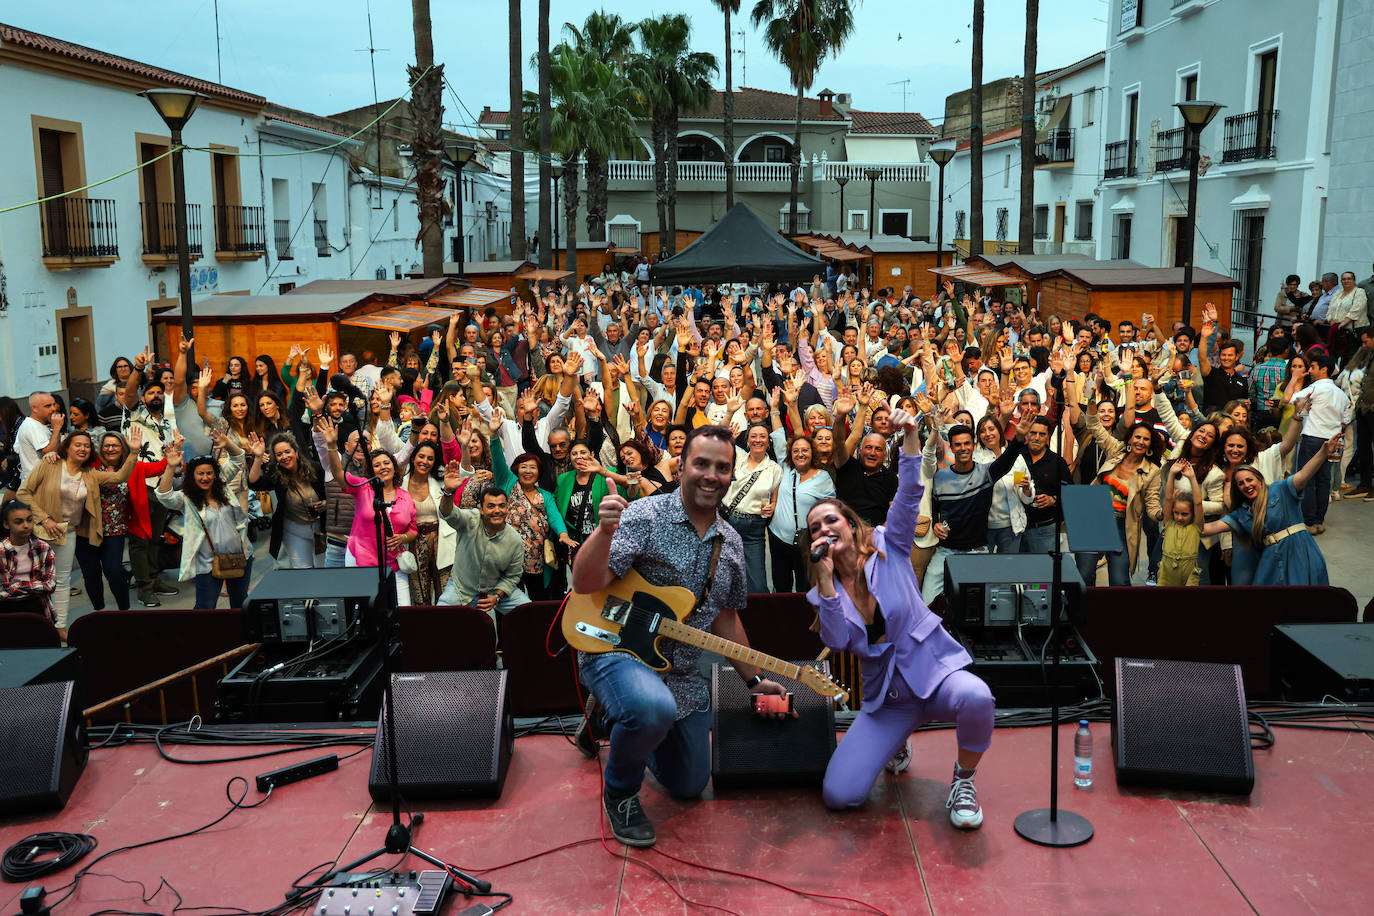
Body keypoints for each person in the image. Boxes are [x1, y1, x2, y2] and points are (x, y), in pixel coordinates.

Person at [570, 425, 790, 848]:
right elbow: (585, 584)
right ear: (681, 466)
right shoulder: (644, 514)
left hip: (681, 673)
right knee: (651, 707)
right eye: (701, 464)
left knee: (689, 785)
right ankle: (620, 792)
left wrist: (755, 681)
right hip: (615, 650)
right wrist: (603, 533)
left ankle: (614, 719)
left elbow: (727, 618)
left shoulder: (730, 543)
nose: (711, 475)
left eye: (722, 468)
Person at [803, 406, 994, 830]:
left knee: (978, 697)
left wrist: (909, 436)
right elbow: (837, 642)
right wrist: (828, 582)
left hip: (935, 674)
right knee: (840, 796)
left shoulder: (890, 546)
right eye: (815, 528)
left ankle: (963, 781)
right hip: (889, 699)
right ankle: (896, 742)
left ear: (851, 526)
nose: (824, 529)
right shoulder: (822, 593)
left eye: (831, 519)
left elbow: (908, 494)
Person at [17, 429, 139, 632]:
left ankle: (60, 627)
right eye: (78, 444)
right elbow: (23, 492)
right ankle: (33, 627)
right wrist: (45, 519)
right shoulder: (50, 464)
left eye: (87, 445)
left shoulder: (89, 474)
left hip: (69, 532)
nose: (83, 448)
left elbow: (118, 477)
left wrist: (134, 453)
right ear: (68, 447)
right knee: (35, 579)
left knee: (62, 580)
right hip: (41, 531)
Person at [1202, 436, 1339, 586]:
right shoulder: (1242, 513)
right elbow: (1208, 529)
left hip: (1299, 552)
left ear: (1259, 480)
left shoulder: (1280, 490)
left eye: (1249, 480)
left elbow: (1304, 473)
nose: (1246, 485)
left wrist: (1323, 453)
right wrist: (1189, 504)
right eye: (1240, 483)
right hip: (1271, 561)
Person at [316, 419, 419, 604]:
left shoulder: (406, 496)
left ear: (394, 468)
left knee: (403, 608)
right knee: (364, 610)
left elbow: (413, 530)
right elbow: (339, 475)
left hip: (393, 563)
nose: (383, 467)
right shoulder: (362, 487)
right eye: (377, 465)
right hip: (360, 557)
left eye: (386, 463)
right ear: (371, 470)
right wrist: (331, 446)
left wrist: (402, 538)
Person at [155, 439, 253, 609]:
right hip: (207, 563)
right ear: (192, 476)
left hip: (240, 555)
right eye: (200, 473)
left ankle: (241, 635)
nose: (205, 477)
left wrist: (227, 443)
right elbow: (164, 496)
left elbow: (238, 458)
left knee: (239, 603)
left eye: (209, 473)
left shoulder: (224, 488)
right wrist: (170, 467)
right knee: (205, 607)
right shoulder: (186, 498)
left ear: (215, 475)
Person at [1073, 404, 1164, 586]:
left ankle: (1116, 614)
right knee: (1083, 576)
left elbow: (1152, 505)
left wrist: (1164, 513)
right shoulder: (1117, 449)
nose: (1140, 441)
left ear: (1149, 445)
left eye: (1145, 439)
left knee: (1120, 581)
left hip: (1122, 525)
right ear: (1129, 439)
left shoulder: (1152, 471)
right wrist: (1092, 400)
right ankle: (1083, 613)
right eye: (1137, 436)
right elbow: (1095, 427)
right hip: (1093, 516)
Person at [434, 470, 528, 614]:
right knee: (439, 619)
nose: (497, 510)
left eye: (501, 506)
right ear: (481, 509)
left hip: (493, 588)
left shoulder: (515, 540)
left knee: (528, 613)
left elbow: (512, 576)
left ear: (507, 508)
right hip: (461, 589)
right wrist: (448, 491)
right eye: (491, 506)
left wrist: (497, 596)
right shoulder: (470, 520)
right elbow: (448, 514)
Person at [1286, 351, 1351, 533]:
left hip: (1313, 438)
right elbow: (1345, 419)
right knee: (1324, 480)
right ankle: (1318, 521)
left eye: (1313, 367)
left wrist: (1294, 378)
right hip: (1332, 441)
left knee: (1307, 479)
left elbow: (1288, 399)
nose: (1310, 370)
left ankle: (1308, 521)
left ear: (1324, 369)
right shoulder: (1341, 394)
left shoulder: (1315, 388)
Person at [246, 432, 327, 570]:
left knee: (323, 567)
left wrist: (325, 504)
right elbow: (254, 483)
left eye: (287, 452)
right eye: (279, 454)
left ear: (296, 452)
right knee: (302, 570)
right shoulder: (276, 474)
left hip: (320, 528)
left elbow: (329, 493)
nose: (284, 457)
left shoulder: (316, 468)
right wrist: (258, 457)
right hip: (294, 529)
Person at [766, 433, 836, 592]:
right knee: (781, 587)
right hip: (778, 538)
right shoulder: (785, 468)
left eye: (805, 450)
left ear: (813, 452)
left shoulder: (823, 478)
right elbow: (777, 437)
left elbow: (831, 510)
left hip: (806, 544)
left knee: (805, 589)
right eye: (795, 451)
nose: (800, 454)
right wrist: (775, 409)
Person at [722, 423, 781, 595]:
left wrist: (772, 507)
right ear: (747, 441)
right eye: (753, 436)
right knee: (725, 577)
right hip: (728, 521)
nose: (758, 440)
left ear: (768, 442)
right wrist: (730, 413)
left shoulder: (774, 469)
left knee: (757, 584)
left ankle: (757, 619)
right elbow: (717, 441)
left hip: (753, 528)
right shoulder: (738, 457)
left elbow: (774, 499)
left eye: (762, 436)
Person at [0, 499, 56, 619]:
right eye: (18, 522)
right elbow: (2, 593)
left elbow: (50, 585)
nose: (26, 525)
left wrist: (17, 585)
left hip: (37, 605)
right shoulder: (1, 551)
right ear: (6, 524)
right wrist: (34, 586)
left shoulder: (43, 548)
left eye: (29, 520)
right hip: (6, 608)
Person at [1157, 463, 1204, 586]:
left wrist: (1192, 478)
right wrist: (1172, 474)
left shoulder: (1196, 527)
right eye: (1176, 513)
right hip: (1167, 572)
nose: (1179, 517)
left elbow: (1198, 503)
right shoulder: (1169, 523)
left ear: (1192, 514)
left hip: (1189, 573)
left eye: (1184, 514)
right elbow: (1167, 499)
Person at [15, 392, 63, 481]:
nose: (53, 409)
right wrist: (57, 428)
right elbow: (48, 453)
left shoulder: (34, 424)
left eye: (54, 404)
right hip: (38, 484)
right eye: (48, 406)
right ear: (34, 408)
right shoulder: (32, 426)